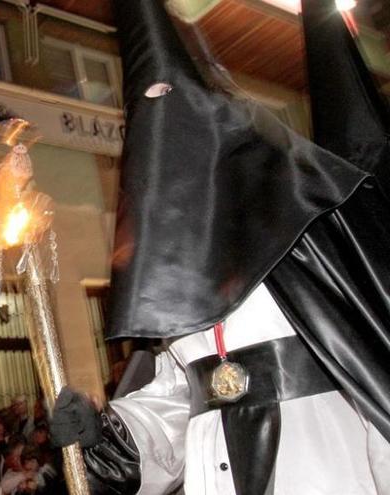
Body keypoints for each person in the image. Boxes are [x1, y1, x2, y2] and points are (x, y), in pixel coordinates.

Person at [50, 0, 390, 494]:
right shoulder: (188, 283)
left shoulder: (310, 246)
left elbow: (376, 380)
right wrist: (106, 435)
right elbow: (175, 401)